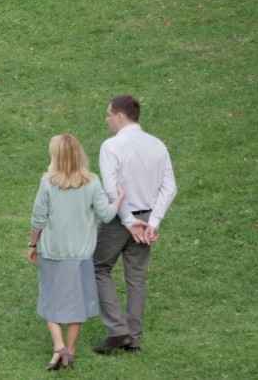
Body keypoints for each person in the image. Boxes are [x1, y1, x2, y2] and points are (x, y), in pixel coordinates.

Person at [27, 134, 137, 370]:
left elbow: (38, 218)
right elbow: (106, 214)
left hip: (53, 252)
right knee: (76, 303)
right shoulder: (92, 181)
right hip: (81, 255)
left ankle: (58, 347)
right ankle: (70, 349)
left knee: (50, 300)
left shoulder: (48, 182)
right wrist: (120, 199)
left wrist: (32, 245)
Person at [93, 95, 177, 353]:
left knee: (98, 267)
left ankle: (118, 330)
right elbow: (170, 187)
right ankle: (133, 336)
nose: (107, 120)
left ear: (120, 116)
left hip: (119, 219)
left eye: (108, 115)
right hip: (147, 217)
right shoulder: (157, 144)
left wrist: (129, 221)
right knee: (137, 277)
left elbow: (111, 190)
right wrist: (153, 222)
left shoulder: (111, 146)